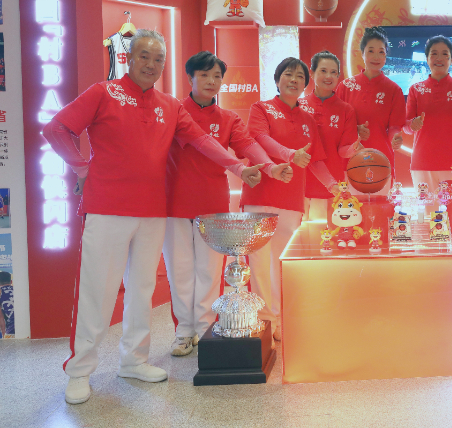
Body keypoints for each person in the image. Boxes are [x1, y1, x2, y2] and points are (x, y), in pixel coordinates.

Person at [43, 29, 263, 405]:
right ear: (129, 58)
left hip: (153, 211)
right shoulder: (103, 92)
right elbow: (57, 128)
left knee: (142, 289)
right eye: (144, 56)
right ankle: (79, 371)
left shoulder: (170, 106)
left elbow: (202, 140)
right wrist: (81, 167)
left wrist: (238, 168)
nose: (151, 64)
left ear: (164, 64)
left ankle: (134, 360)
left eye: (158, 58)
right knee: (98, 290)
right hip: (108, 208)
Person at [164, 51, 293, 357]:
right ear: (190, 78)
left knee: (209, 272)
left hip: (213, 203)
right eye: (204, 75)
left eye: (217, 76)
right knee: (180, 271)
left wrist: (269, 167)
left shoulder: (228, 118)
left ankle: (204, 328)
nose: (211, 81)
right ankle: (183, 333)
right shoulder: (174, 111)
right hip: (174, 202)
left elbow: (247, 144)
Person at [241, 57, 339, 341]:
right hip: (260, 193)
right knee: (259, 262)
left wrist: (335, 186)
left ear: (305, 83)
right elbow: (259, 138)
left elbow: (314, 160)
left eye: (299, 76)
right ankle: (264, 320)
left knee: (281, 262)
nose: (294, 80)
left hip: (292, 198)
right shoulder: (262, 108)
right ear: (277, 79)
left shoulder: (308, 120)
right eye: (288, 74)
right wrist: (288, 155)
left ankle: (279, 317)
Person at [335, 27, 406, 194]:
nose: (376, 57)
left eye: (381, 52)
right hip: (350, 162)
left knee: (382, 209)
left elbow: (394, 126)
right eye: (371, 51)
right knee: (351, 209)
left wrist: (395, 138)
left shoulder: (393, 90)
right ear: (362, 53)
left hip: (381, 162)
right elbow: (336, 126)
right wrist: (354, 130)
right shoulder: (345, 87)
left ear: (386, 56)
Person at [405, 35, 452, 189]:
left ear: (451, 60)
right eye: (434, 54)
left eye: (445, 54)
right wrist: (412, 125)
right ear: (427, 58)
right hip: (422, 163)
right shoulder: (415, 89)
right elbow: (406, 126)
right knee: (426, 205)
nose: (439, 58)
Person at [301, 50, 362, 219]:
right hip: (299, 184)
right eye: (323, 71)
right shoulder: (299, 106)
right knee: (295, 234)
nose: (328, 76)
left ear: (338, 76)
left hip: (331, 186)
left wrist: (353, 149)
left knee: (323, 232)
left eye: (333, 72)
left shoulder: (346, 110)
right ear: (312, 73)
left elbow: (343, 150)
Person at [0, 271, 12, 338]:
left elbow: (1, 318)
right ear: (11, 281)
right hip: (25, 329)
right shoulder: (19, 291)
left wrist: (4, 336)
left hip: (9, 332)